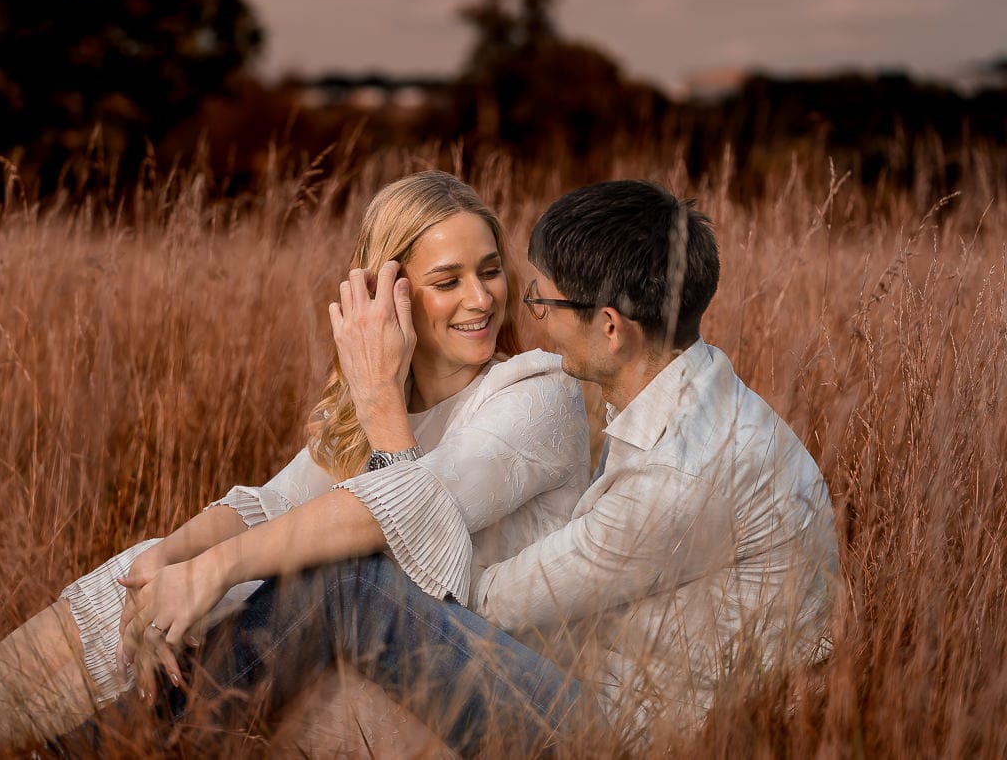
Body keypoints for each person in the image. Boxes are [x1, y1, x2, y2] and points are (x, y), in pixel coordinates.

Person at [115, 178, 839, 754]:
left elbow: (466, 602)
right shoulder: (688, 390)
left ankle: (135, 745)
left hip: (611, 734)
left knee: (349, 586)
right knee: (335, 578)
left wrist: (380, 410)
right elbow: (279, 501)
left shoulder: (676, 476)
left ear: (612, 328)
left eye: (541, 299)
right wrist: (189, 559)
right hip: (621, 681)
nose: (524, 315)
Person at [0, 170, 593, 751]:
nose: (482, 298)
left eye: (490, 270)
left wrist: (377, 394)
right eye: (449, 280)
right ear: (387, 292)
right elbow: (265, 506)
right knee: (162, 555)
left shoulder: (537, 395)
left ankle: (94, 740)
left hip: (511, 694)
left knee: (329, 580)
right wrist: (171, 562)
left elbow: (389, 522)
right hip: (404, 674)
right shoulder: (386, 407)